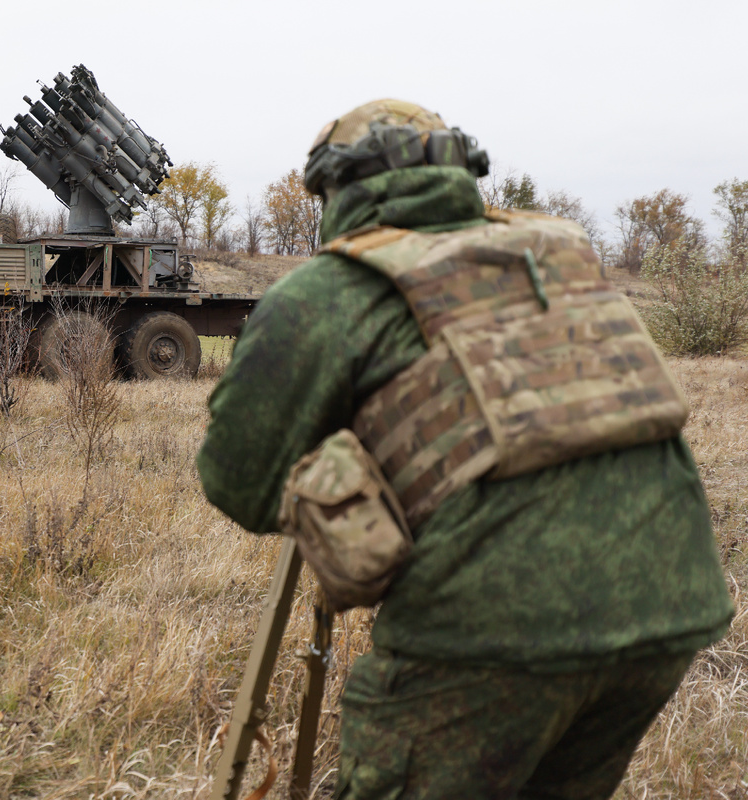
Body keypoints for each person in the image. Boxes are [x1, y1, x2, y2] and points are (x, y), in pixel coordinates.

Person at [197, 99, 733, 799]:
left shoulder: (328, 290)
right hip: (670, 605)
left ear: (338, 189)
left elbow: (236, 479)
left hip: (488, 635)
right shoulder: (555, 253)